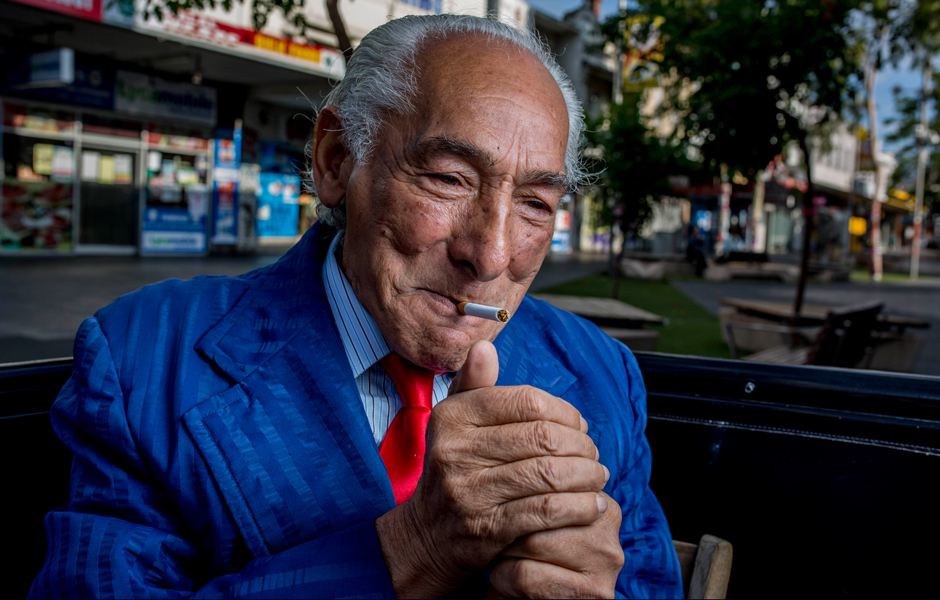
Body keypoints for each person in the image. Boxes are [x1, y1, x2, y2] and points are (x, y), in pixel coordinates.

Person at [30, 15, 682, 599]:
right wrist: (410, 553)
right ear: (338, 159)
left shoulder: (601, 376)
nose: (490, 254)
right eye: (449, 179)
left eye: (536, 204)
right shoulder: (145, 359)